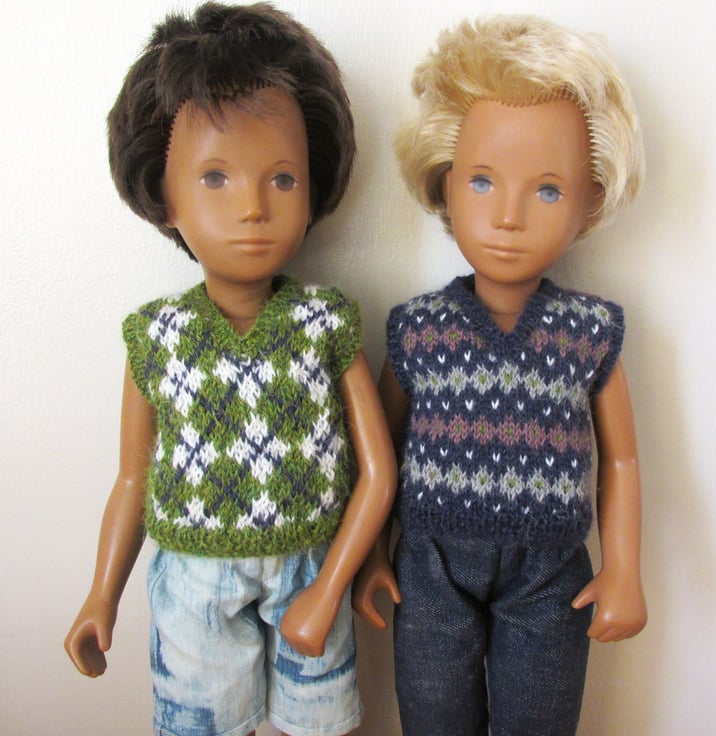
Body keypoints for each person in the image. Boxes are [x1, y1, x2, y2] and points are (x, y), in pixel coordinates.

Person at [64, 4, 396, 736]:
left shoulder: (326, 324)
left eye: (283, 179)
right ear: (164, 195)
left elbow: (377, 472)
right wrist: (101, 595)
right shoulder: (157, 337)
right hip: (193, 580)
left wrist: (337, 581)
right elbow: (132, 479)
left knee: (324, 724)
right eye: (215, 177)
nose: (251, 206)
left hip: (312, 565)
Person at [353, 15, 647, 736]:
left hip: (551, 577)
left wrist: (623, 568)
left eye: (547, 191)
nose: (508, 217)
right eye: (482, 182)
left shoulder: (587, 333)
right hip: (430, 568)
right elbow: (379, 455)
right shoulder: (417, 330)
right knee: (434, 719)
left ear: (588, 201)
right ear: (444, 181)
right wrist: (372, 556)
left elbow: (623, 460)